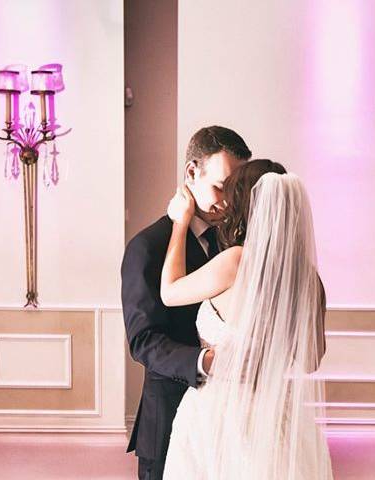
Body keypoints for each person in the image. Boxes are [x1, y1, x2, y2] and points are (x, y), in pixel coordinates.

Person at [160, 159, 333, 480]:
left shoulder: (236, 262)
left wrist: (179, 225)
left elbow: (169, 293)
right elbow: (310, 361)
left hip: (217, 412)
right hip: (278, 412)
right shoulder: (309, 278)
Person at [121, 126, 251, 480]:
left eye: (236, 191)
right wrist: (205, 362)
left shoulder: (237, 246)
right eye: (221, 187)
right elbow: (142, 339)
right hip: (168, 417)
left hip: (229, 423)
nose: (228, 201)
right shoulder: (147, 247)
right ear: (192, 172)